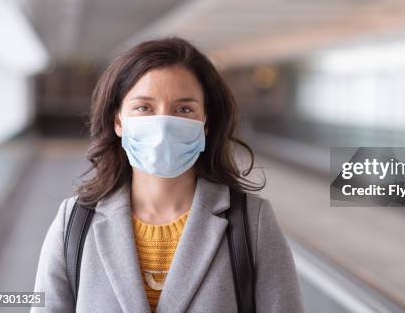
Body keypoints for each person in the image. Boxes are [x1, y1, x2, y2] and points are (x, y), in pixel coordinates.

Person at [31, 37, 304, 312]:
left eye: (183, 109)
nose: (162, 126)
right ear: (118, 121)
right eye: (144, 108)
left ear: (205, 124)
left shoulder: (251, 223)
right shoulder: (75, 222)